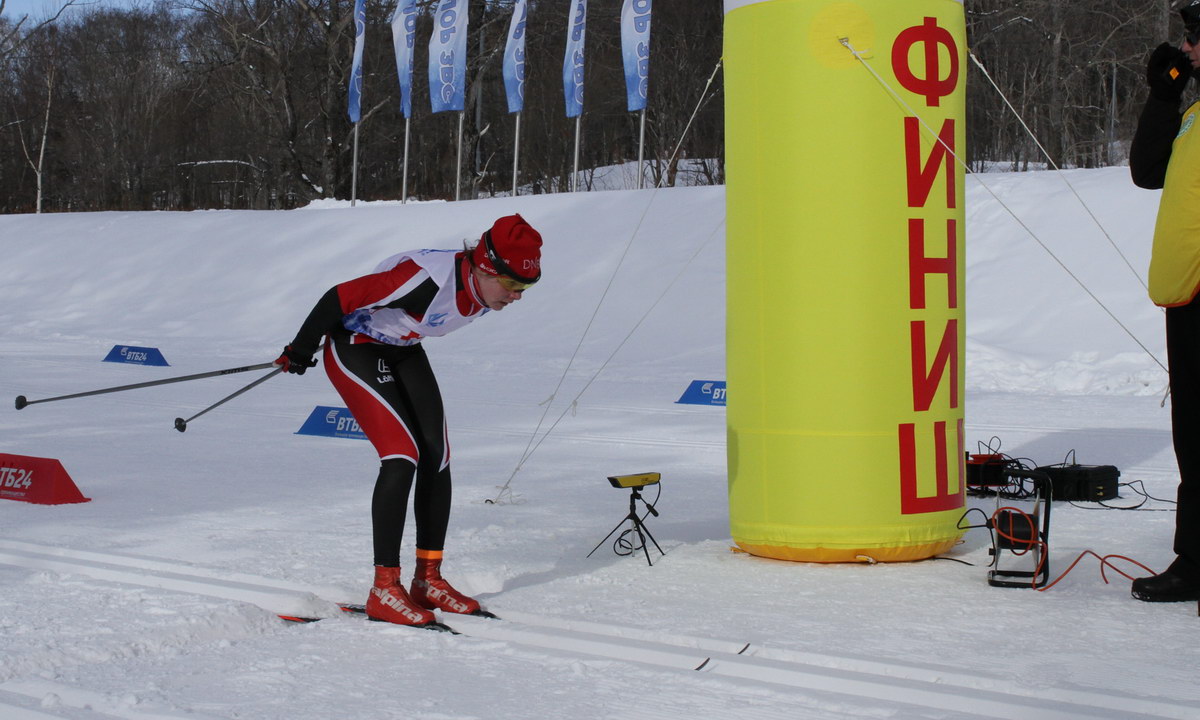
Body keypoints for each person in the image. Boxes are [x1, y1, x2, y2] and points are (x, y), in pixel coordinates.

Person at [275, 214, 543, 624]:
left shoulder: (486, 289)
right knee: (402, 456)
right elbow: (339, 297)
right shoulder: (425, 280)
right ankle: (384, 588)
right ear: (484, 267)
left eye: (526, 286)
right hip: (355, 346)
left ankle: (427, 580)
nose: (517, 295)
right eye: (511, 284)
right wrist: (301, 347)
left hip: (403, 348)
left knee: (437, 455)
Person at [1128, 1, 1200, 602]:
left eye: (1197, 38)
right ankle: (1195, 561)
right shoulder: (1194, 115)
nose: (1189, 49)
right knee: (1193, 437)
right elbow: (1147, 170)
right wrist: (1163, 96)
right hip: (1188, 295)